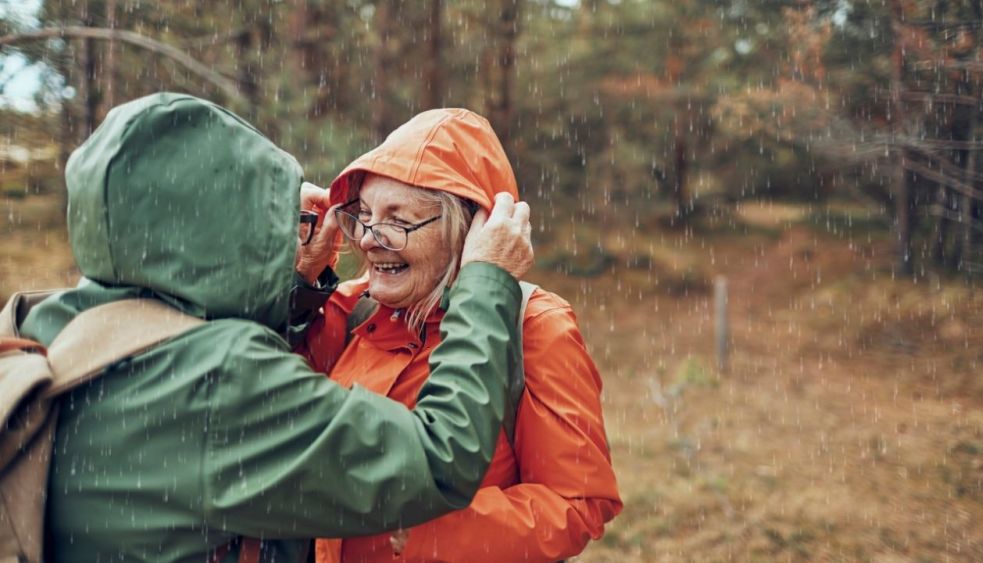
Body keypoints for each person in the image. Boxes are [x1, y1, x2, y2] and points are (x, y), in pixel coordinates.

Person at [17, 93, 534, 562]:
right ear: (227, 223)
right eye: (270, 213)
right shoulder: (220, 379)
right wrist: (486, 283)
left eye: (400, 220)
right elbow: (441, 459)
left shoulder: (46, 326)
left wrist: (293, 284)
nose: (372, 237)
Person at [299, 109, 622, 563]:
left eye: (398, 220)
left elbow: (577, 503)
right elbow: (259, 397)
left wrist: (425, 529)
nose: (369, 239)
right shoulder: (349, 306)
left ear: (469, 232)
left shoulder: (533, 325)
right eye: (365, 215)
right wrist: (299, 280)